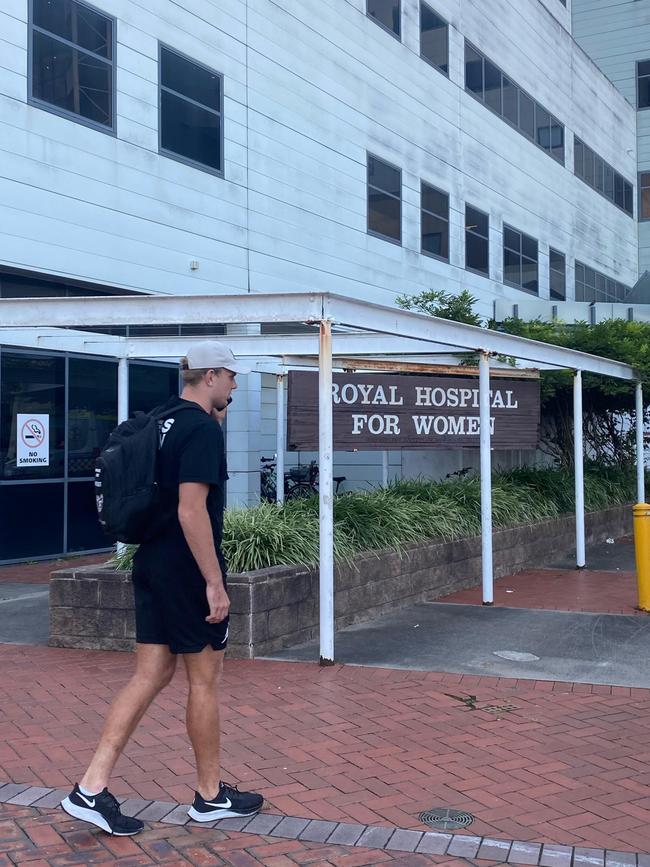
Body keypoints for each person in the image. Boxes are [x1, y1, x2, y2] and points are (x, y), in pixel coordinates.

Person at [61, 341, 263, 836]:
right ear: (212, 376)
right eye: (232, 378)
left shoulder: (163, 418)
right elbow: (190, 510)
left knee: (149, 675)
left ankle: (90, 788)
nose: (236, 386)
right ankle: (211, 796)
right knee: (205, 679)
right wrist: (215, 583)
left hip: (149, 560)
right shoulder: (198, 428)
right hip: (184, 568)